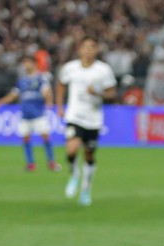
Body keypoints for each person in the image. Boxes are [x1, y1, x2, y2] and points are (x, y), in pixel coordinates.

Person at [55, 36, 117, 206]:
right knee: (72, 149)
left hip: (94, 119)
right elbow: (60, 84)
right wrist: (59, 106)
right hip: (74, 116)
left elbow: (112, 93)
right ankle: (74, 174)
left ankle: (86, 188)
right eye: (85, 47)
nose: (88, 50)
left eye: (92, 47)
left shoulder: (103, 70)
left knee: (89, 154)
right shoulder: (71, 68)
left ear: (96, 50)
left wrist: (98, 93)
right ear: (79, 50)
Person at [0, 55, 59, 172]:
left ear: (34, 64)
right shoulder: (22, 81)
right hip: (25, 115)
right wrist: (0, 102)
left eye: (28, 62)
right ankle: (30, 163)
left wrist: (49, 102)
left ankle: (51, 162)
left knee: (45, 137)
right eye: (24, 62)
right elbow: (13, 95)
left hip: (38, 114)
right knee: (26, 139)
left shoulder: (41, 78)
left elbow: (47, 91)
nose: (26, 65)